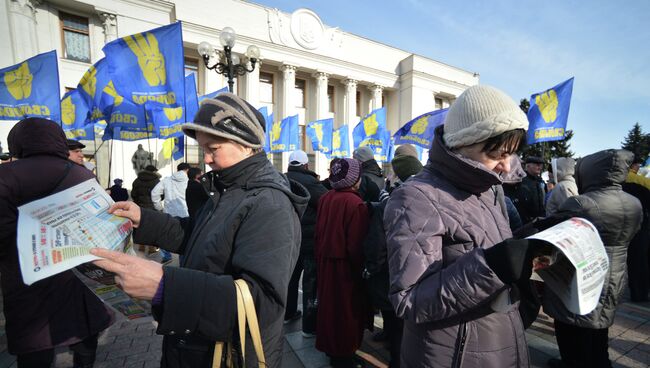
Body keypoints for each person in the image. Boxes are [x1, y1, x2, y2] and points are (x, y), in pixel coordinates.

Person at [90, 93, 308, 368]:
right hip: (197, 345)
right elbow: (200, 237)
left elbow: (262, 304)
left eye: (213, 148)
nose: (205, 159)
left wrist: (166, 287)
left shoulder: (269, 203)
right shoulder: (227, 188)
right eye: (203, 148)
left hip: (229, 355)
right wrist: (143, 220)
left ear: (247, 144)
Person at [384, 85, 539, 367]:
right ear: (463, 144)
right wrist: (493, 267)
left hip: (500, 343)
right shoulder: (416, 197)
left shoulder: (490, 189)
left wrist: (530, 240)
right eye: (497, 154)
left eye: (511, 154)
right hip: (453, 355)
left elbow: (491, 248)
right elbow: (410, 300)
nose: (506, 166)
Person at [0, 118, 114, 368]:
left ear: (17, 143)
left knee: (35, 345)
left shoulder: (5, 175)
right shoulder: (81, 174)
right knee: (84, 330)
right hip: (78, 271)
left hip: (27, 278)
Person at [544, 149, 642, 368]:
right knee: (599, 325)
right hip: (615, 270)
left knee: (571, 325)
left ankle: (572, 362)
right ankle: (600, 362)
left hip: (582, 271)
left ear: (590, 172)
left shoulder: (581, 203)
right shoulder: (634, 203)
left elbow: (557, 232)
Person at [363, 145, 422, 368]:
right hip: (405, 263)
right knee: (394, 314)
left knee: (399, 318)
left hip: (398, 262)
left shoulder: (395, 196)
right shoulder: (402, 189)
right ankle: (390, 338)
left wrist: (372, 265)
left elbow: (381, 234)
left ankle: (398, 357)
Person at [315, 158, 371, 368]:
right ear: (354, 178)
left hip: (325, 261)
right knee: (346, 312)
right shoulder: (355, 204)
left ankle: (333, 351)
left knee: (329, 309)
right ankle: (344, 356)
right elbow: (356, 246)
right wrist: (362, 270)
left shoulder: (326, 197)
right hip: (345, 267)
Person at [284, 150, 328, 336]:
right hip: (309, 239)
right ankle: (309, 326)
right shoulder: (311, 183)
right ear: (305, 165)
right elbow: (326, 202)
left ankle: (287, 313)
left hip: (287, 238)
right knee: (310, 283)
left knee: (290, 279)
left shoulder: (281, 180)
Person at [151, 162, 191, 263]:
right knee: (185, 238)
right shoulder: (189, 181)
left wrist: (159, 207)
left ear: (178, 169)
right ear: (187, 170)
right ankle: (183, 261)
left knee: (165, 234)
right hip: (185, 212)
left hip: (169, 213)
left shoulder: (167, 180)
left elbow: (154, 193)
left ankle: (166, 256)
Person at [504, 155, 546, 224]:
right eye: (537, 164)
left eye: (541, 165)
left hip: (537, 222)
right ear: (528, 166)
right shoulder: (519, 182)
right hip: (524, 224)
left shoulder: (539, 181)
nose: (540, 167)